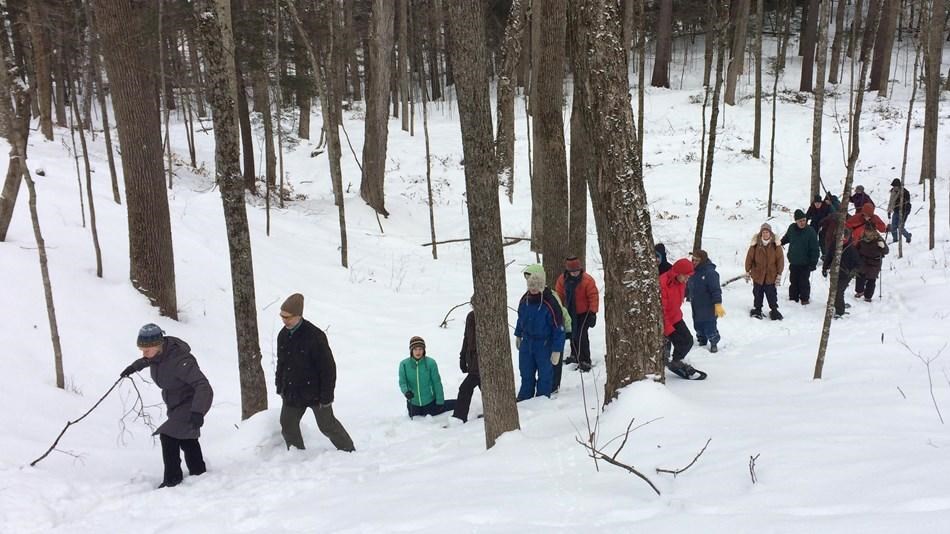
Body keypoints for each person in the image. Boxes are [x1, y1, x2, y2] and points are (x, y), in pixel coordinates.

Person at [120, 324, 213, 489]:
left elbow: (203, 386)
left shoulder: (181, 361)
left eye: (147, 349)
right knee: (186, 439)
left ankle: (172, 480)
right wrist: (134, 367)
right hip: (176, 404)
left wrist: (198, 411)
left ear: (158, 344)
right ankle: (199, 472)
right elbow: (148, 360)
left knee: (168, 435)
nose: (144, 353)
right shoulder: (159, 355)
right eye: (142, 349)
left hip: (191, 403)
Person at [275, 293, 355, 452]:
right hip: (292, 391)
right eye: (282, 316)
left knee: (326, 425)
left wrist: (326, 396)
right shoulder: (282, 335)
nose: (284, 320)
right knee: (287, 423)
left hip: (316, 392)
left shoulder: (315, 336)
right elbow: (281, 363)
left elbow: (328, 369)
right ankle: (296, 453)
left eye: (288, 317)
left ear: (298, 316)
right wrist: (280, 384)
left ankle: (348, 450)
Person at [514, 265, 565, 400]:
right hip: (527, 343)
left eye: (536, 285)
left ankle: (541, 401)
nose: (533, 288)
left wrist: (556, 350)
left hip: (544, 344)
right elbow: (520, 318)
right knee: (526, 373)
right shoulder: (524, 300)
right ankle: (525, 399)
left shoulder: (550, 302)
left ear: (542, 285)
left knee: (545, 376)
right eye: (531, 285)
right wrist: (518, 334)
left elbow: (558, 327)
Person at [660, 258, 705, 380]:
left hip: (675, 316)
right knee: (675, 341)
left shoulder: (681, 281)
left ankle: (676, 361)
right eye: (686, 276)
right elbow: (661, 311)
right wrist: (668, 330)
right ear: (678, 273)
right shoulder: (663, 283)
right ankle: (672, 361)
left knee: (688, 341)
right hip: (664, 320)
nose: (687, 279)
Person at [555, 256, 599, 373]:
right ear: (568, 271)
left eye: (576, 271)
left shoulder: (587, 280)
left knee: (581, 335)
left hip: (584, 313)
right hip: (569, 312)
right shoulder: (562, 280)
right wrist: (559, 310)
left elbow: (593, 296)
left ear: (580, 269)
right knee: (572, 334)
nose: (575, 273)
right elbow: (558, 296)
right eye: (572, 271)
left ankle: (585, 360)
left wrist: (593, 312)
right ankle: (574, 354)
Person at [399, 336, 456, 418]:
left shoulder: (430, 363)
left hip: (429, 402)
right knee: (416, 418)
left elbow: (436, 383)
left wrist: (440, 401)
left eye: (420, 349)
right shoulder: (404, 364)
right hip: (413, 404)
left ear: (424, 350)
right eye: (415, 349)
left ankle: (461, 401)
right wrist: (406, 391)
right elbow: (402, 382)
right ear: (411, 350)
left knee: (445, 407)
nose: (418, 352)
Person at [687, 250, 725, 353]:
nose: (694, 262)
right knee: (698, 325)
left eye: (697, 260)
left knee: (709, 326)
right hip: (696, 304)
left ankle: (713, 342)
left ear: (702, 261)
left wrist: (718, 304)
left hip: (709, 306)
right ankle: (701, 340)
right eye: (693, 260)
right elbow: (688, 285)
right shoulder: (692, 272)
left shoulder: (710, 273)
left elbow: (715, 290)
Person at [745, 223, 785, 320]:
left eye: (767, 232)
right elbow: (749, 258)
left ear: (770, 233)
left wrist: (779, 274)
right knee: (757, 293)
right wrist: (747, 271)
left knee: (771, 294)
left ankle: (774, 310)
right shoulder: (755, 245)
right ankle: (758, 309)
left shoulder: (776, 245)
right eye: (763, 232)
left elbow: (780, 260)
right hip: (758, 274)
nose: (765, 234)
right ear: (761, 233)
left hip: (771, 275)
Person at [780, 209, 820, 305]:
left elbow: (815, 248)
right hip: (794, 261)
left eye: (804, 220)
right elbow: (786, 238)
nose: (802, 222)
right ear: (796, 221)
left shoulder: (810, 231)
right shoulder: (792, 228)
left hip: (805, 263)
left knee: (803, 282)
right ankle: (793, 298)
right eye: (800, 221)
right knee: (793, 281)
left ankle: (804, 299)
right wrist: (779, 243)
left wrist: (813, 262)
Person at [453, 308, 480, 422]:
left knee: (467, 388)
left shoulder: (489, 315)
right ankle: (459, 418)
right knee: (465, 389)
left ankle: (459, 418)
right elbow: (466, 339)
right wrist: (462, 357)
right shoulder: (470, 316)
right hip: (473, 364)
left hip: (484, 366)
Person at [829, 227, 861, 319]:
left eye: (845, 238)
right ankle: (834, 304)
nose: (842, 240)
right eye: (841, 238)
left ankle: (840, 311)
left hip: (846, 275)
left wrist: (852, 272)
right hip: (835, 273)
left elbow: (858, 264)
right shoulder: (834, 245)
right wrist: (825, 267)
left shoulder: (851, 249)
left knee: (839, 291)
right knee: (833, 290)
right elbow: (829, 257)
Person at [854, 226, 889, 302]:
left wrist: (882, 247)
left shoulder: (879, 239)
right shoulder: (862, 238)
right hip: (863, 260)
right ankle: (860, 291)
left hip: (874, 262)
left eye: (870, 231)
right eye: (867, 231)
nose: (868, 233)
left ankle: (868, 296)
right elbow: (856, 248)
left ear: (874, 231)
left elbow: (886, 251)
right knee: (860, 275)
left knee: (871, 279)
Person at [886, 178, 912, 244]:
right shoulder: (893, 192)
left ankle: (908, 236)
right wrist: (889, 211)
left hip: (904, 211)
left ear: (899, 186)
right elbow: (891, 202)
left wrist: (903, 207)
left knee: (900, 227)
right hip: (896, 211)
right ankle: (895, 240)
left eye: (896, 186)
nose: (894, 187)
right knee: (893, 227)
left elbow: (907, 202)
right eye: (893, 186)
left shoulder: (905, 192)